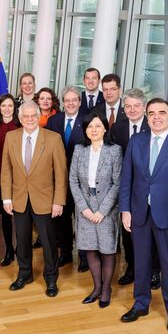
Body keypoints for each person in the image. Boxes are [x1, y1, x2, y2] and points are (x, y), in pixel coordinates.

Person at [119, 98, 168, 333]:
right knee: (141, 262)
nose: (156, 117)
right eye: (152, 113)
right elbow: (127, 178)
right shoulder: (137, 141)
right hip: (139, 213)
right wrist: (125, 210)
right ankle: (140, 304)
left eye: (162, 112)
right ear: (147, 116)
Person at [1, 102, 67, 297]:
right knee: (22, 241)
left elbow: (61, 174)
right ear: (20, 119)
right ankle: (25, 274)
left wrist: (58, 201)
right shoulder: (11, 137)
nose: (30, 119)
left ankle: (51, 278)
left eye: (33, 116)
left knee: (48, 242)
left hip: (45, 199)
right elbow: (6, 170)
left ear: (39, 117)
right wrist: (6, 198)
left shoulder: (53, 138)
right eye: (26, 116)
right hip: (19, 198)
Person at [69, 112, 122, 309]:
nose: (93, 130)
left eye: (98, 126)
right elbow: (72, 180)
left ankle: (106, 289)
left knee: (107, 250)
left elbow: (117, 183)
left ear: (105, 128)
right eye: (90, 126)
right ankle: (97, 288)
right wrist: (83, 208)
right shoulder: (79, 149)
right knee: (90, 249)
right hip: (85, 206)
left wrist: (102, 211)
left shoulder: (115, 150)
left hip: (106, 207)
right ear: (85, 130)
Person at [109, 88, 160, 288]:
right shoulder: (117, 128)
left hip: (150, 190)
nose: (132, 110)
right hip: (126, 188)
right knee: (128, 233)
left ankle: (154, 272)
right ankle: (131, 268)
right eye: (128, 106)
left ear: (144, 107)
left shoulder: (153, 126)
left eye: (136, 106)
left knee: (152, 233)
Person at [45, 86, 85, 270]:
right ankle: (66, 253)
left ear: (79, 102)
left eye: (74, 100)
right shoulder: (54, 121)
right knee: (62, 218)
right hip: (59, 179)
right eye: (67, 100)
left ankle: (84, 256)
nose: (70, 103)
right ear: (62, 102)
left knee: (82, 218)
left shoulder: (88, 120)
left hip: (82, 179)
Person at [0, 94, 20, 266]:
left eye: (10, 105)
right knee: (6, 216)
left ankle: (21, 248)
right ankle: (9, 251)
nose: (7, 109)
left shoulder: (21, 126)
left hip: (20, 179)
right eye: (3, 106)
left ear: (14, 108)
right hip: (0, 178)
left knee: (21, 215)